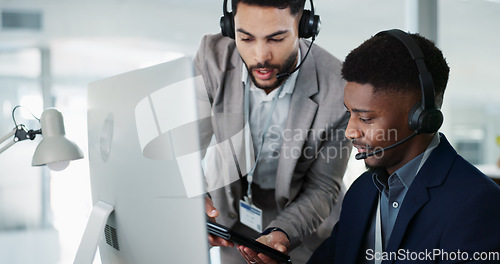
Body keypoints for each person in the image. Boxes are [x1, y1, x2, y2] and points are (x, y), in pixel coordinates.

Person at [307, 29, 500, 264]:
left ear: (420, 117)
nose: (350, 131)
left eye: (366, 118)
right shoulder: (361, 192)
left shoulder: (477, 204)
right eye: (349, 113)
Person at [194, 0, 351, 263]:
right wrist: (197, 201)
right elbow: (187, 146)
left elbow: (322, 186)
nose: (260, 56)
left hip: (302, 225)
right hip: (231, 214)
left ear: (304, 26)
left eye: (276, 39)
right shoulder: (212, 55)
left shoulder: (338, 87)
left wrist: (283, 233)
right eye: (245, 38)